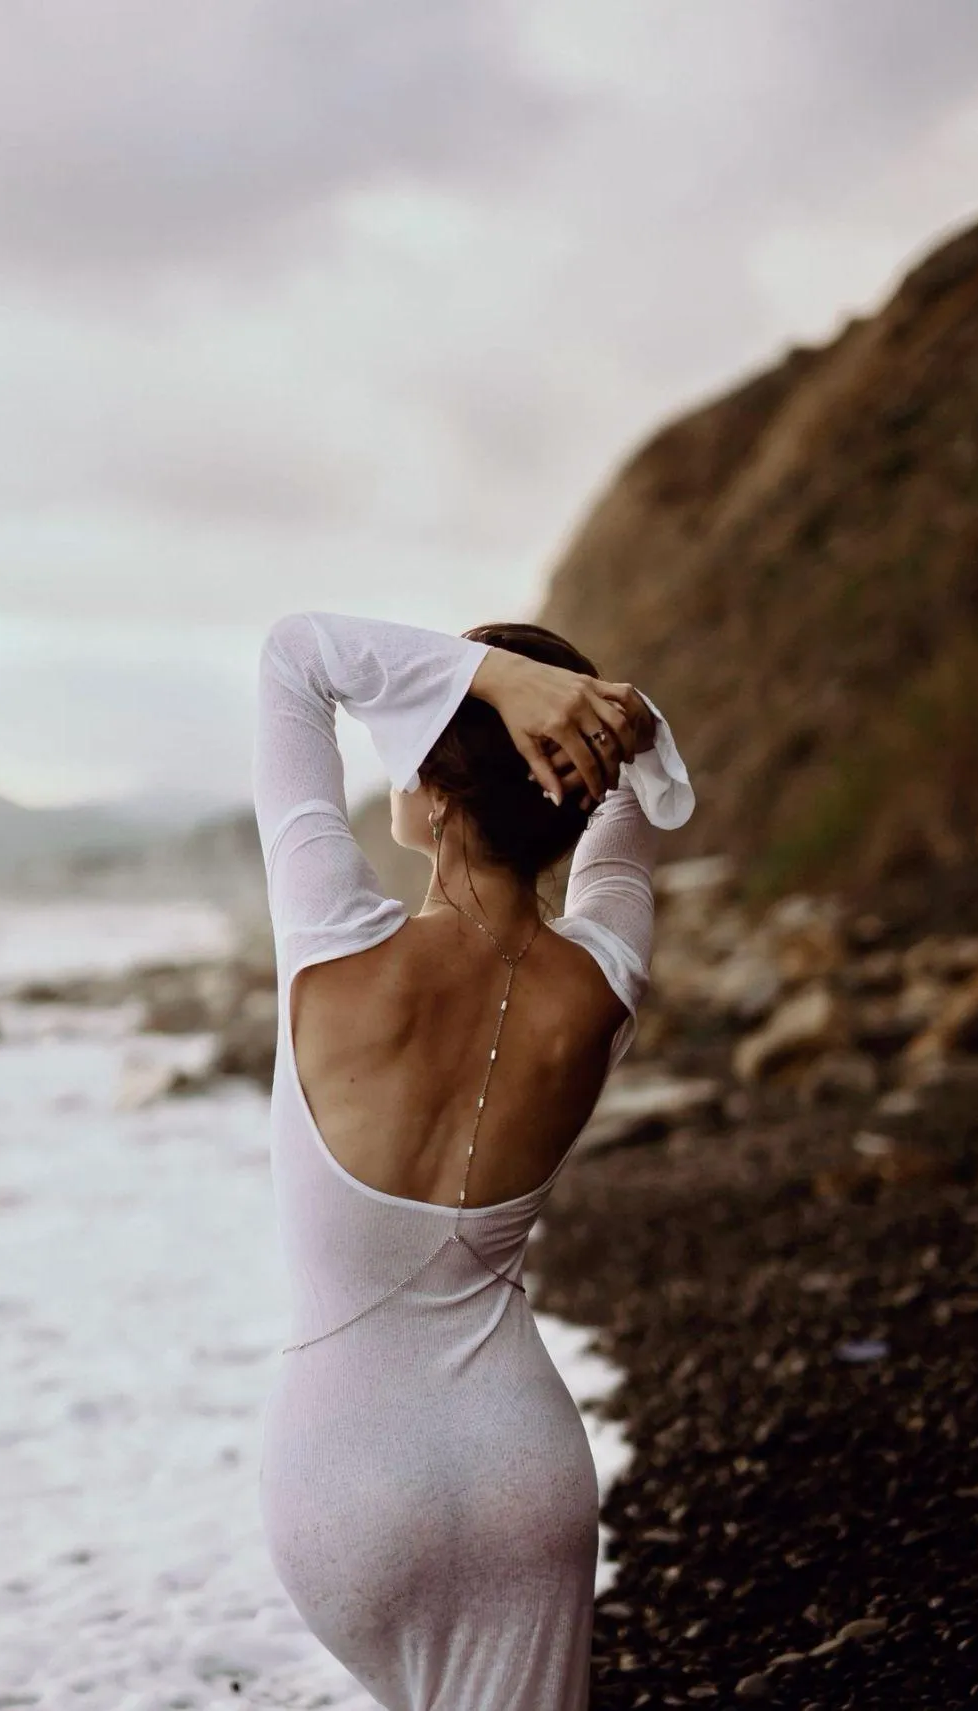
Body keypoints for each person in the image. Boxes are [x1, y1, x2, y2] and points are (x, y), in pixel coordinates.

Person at [252, 609, 695, 1710]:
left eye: (420, 734)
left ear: (439, 793)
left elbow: (293, 657)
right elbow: (635, 803)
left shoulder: (329, 943)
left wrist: (494, 680)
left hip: (343, 1480)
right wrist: (582, 717)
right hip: (523, 1469)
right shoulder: (602, 984)